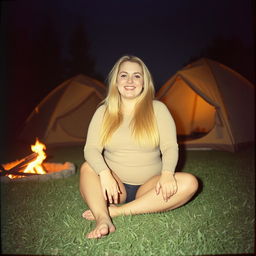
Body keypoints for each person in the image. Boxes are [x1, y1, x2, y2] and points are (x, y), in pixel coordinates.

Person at [80, 55, 198, 239]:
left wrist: (167, 174)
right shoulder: (103, 111)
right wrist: (104, 173)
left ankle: (119, 212)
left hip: (151, 187)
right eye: (123, 75)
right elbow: (91, 149)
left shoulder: (157, 109)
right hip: (114, 188)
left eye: (137, 76)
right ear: (116, 81)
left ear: (144, 82)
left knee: (190, 183)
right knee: (88, 168)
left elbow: (170, 147)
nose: (130, 81)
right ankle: (103, 218)